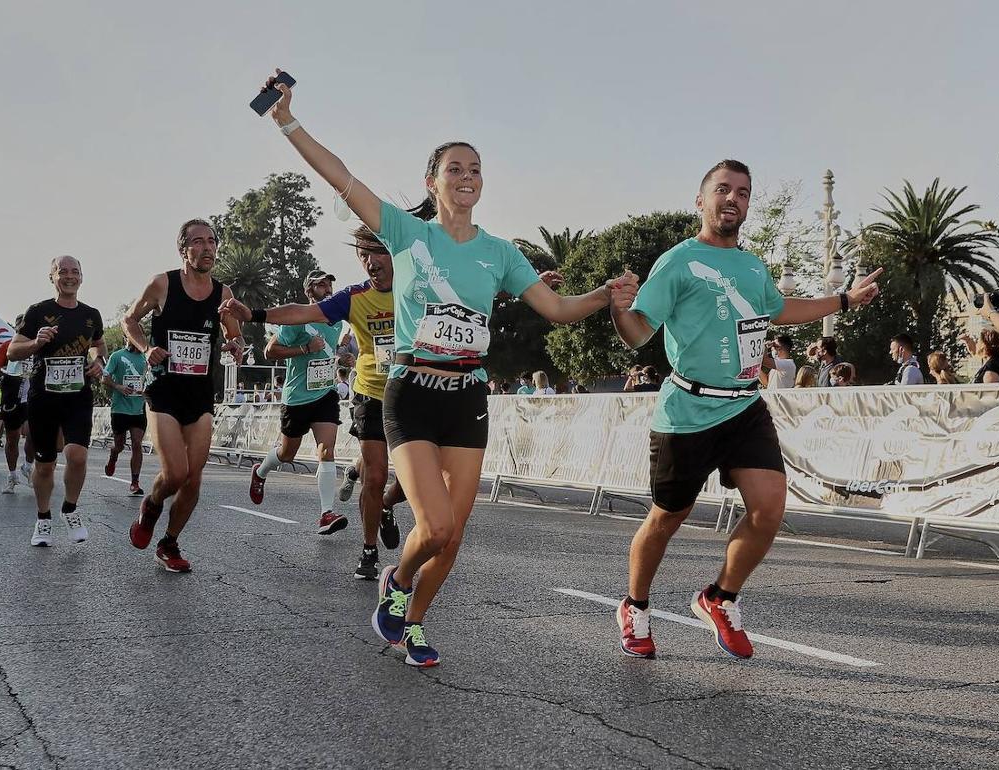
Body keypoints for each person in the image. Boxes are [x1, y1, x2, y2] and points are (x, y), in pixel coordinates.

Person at [255, 69, 638, 665]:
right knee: (431, 527)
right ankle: (398, 582)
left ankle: (413, 622)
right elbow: (341, 176)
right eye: (455, 168)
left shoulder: (500, 252)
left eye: (476, 169)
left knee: (453, 534)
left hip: (467, 398)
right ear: (431, 181)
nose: (467, 178)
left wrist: (603, 296)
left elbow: (558, 309)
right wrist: (287, 123)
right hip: (410, 393)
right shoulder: (406, 234)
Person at [609, 159, 880, 660]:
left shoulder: (753, 266)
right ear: (701, 199)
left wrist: (843, 300)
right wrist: (618, 308)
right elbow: (638, 333)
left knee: (770, 507)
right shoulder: (678, 261)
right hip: (688, 410)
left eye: (743, 193)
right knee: (669, 517)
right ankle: (635, 606)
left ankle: (719, 596)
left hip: (744, 407)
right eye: (723, 189)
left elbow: (781, 310)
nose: (733, 199)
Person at [221, 226, 408, 580]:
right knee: (373, 475)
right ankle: (368, 550)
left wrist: (525, 287)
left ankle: (381, 506)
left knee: (411, 479)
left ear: (394, 252)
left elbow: (462, 292)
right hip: (363, 394)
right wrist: (255, 315)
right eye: (362, 255)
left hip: (405, 393)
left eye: (376, 252)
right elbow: (298, 314)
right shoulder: (352, 298)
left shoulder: (413, 289)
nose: (370, 262)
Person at [122, 219, 245, 573]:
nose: (207, 248)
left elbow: (233, 334)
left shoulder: (224, 294)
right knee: (175, 472)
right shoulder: (163, 283)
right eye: (198, 242)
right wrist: (146, 348)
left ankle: (169, 542)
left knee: (194, 477)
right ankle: (151, 505)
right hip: (164, 392)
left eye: (212, 241)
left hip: (200, 395)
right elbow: (128, 320)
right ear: (183, 249)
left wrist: (236, 344)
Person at [7, 256, 106, 547]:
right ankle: (43, 518)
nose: (69, 276)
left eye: (75, 272)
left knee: (77, 455)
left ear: (82, 277)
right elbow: (13, 351)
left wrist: (99, 360)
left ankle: (70, 509)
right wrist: (36, 343)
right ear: (52, 277)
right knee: (46, 464)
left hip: (78, 395)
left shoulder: (92, 314)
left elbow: (99, 344)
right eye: (62, 272)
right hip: (44, 397)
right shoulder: (38, 312)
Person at [246, 269, 350, 537]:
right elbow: (270, 351)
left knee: (327, 450)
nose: (327, 288)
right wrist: (304, 349)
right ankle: (261, 471)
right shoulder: (297, 321)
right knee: (286, 453)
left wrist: (341, 357)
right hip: (298, 397)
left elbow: (327, 352)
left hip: (325, 393)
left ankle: (326, 513)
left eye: (329, 284)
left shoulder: (336, 319)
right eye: (320, 285)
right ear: (308, 291)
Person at [0, 321, 36, 494]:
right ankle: (12, 475)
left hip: (32, 396)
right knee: (12, 438)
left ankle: (28, 466)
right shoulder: (7, 346)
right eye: (20, 327)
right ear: (16, 329)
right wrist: (7, 369)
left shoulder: (38, 345)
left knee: (33, 434)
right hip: (12, 396)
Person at [102, 340, 148, 496]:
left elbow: (150, 379)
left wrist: (147, 391)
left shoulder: (146, 358)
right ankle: (113, 455)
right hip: (120, 408)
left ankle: (135, 482)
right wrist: (118, 387)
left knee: (137, 443)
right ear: (126, 338)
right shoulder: (117, 356)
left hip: (138, 409)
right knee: (120, 445)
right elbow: (104, 378)